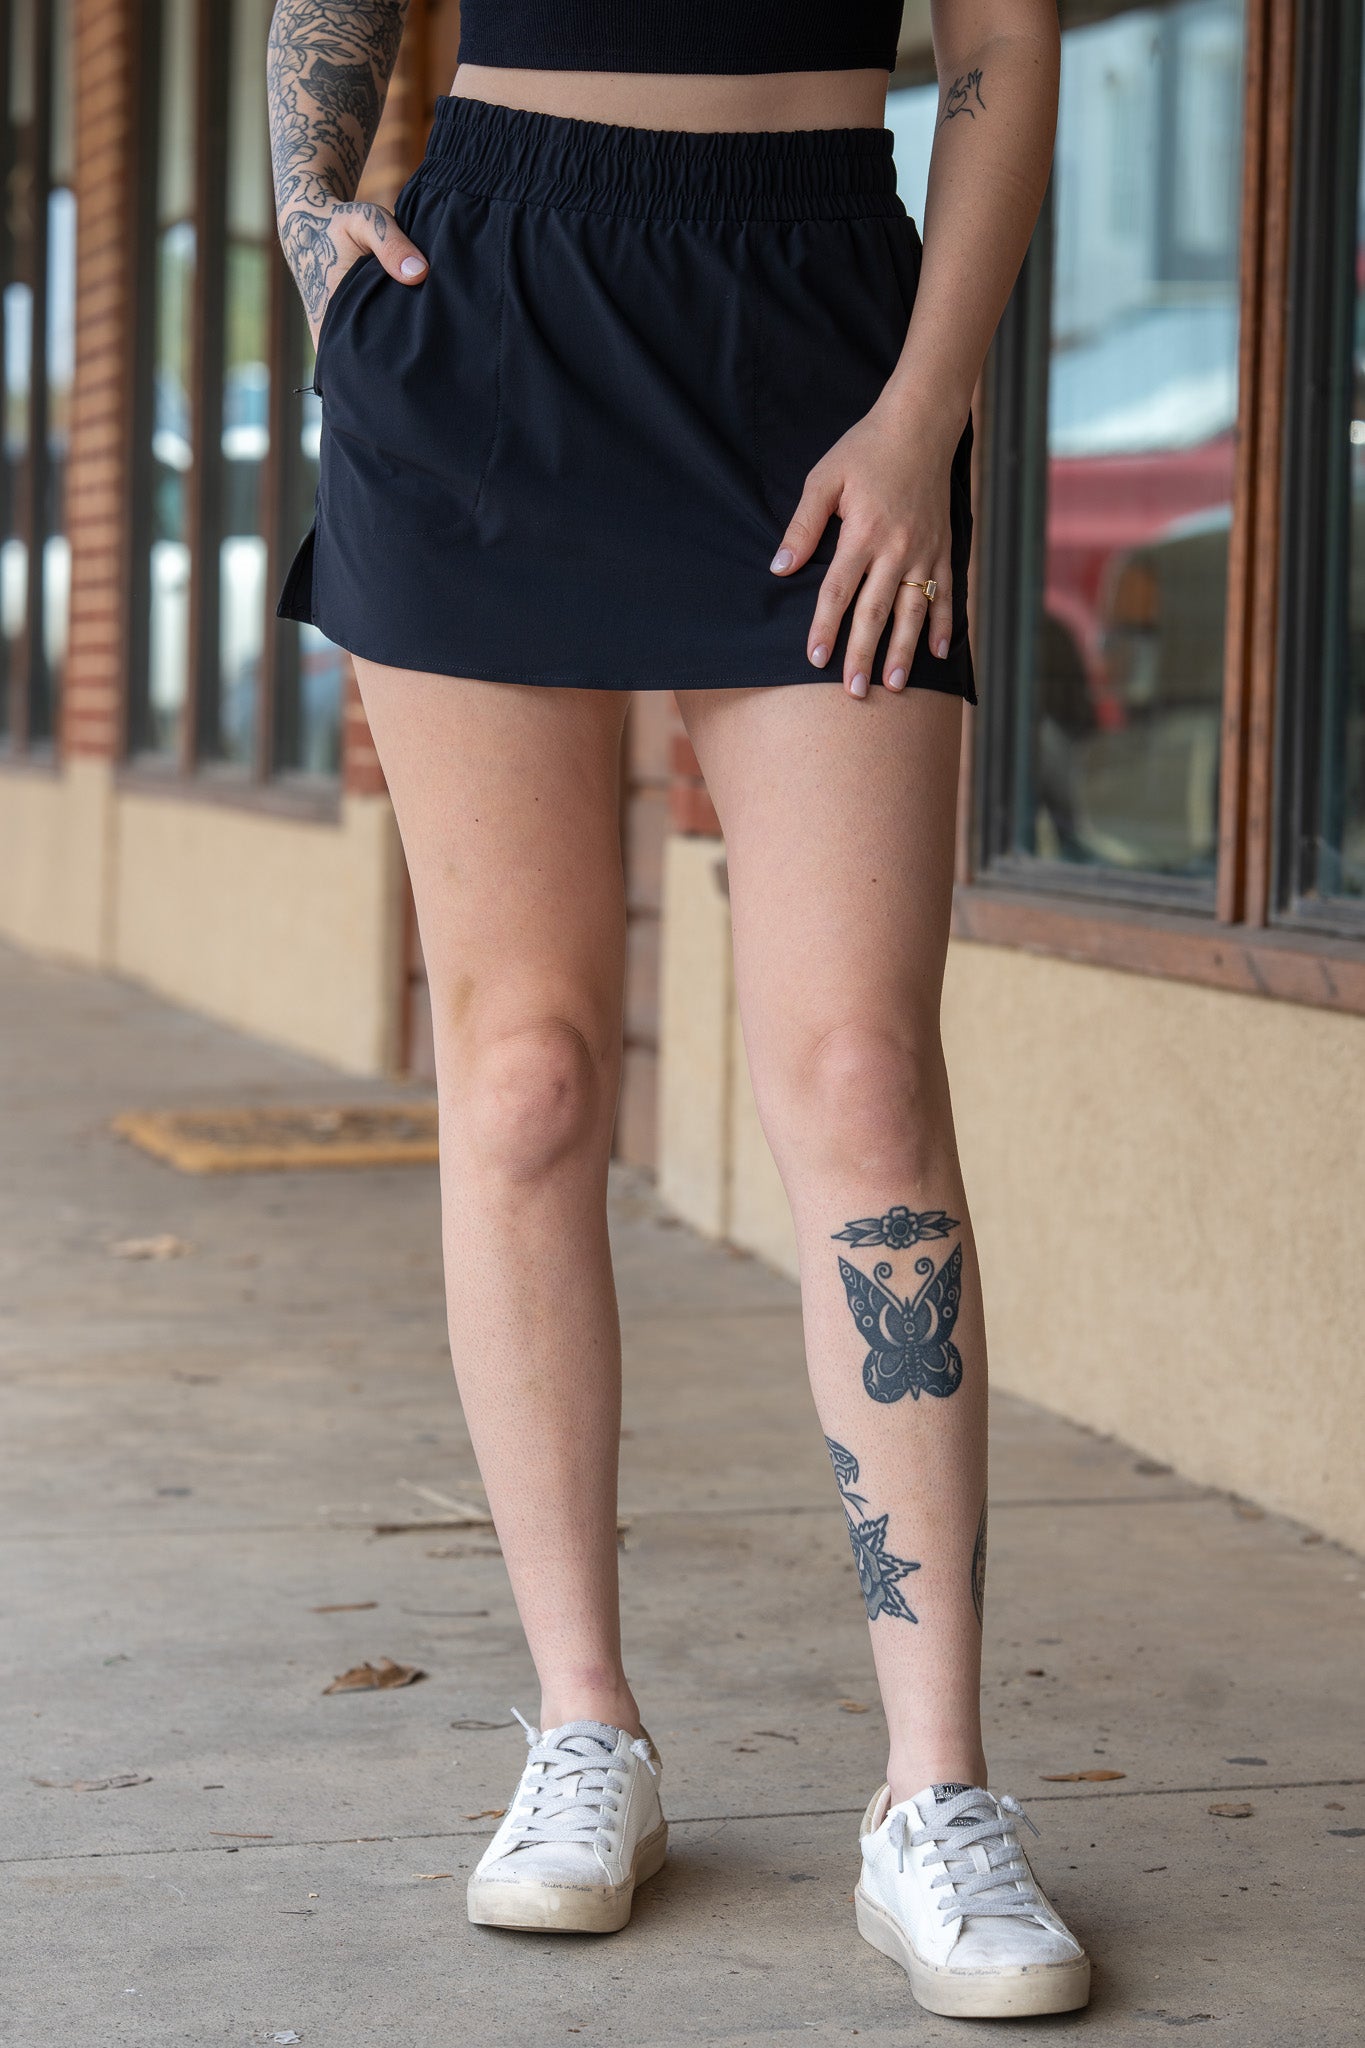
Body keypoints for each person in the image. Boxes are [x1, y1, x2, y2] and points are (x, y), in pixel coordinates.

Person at [268, 0, 1089, 2019]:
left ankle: (935, 1790)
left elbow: (999, 41)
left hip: (815, 329)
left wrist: (923, 413)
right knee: (528, 1076)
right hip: (483, 311)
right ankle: (583, 1728)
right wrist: (308, 216)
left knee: (860, 1076)